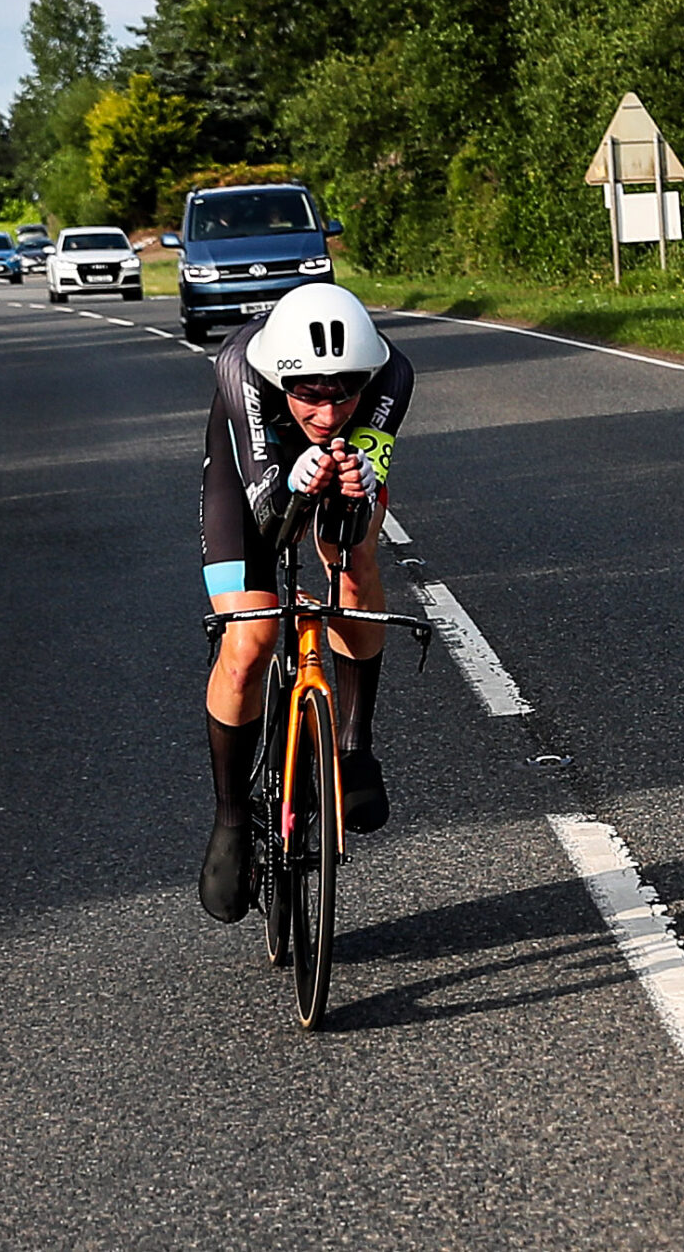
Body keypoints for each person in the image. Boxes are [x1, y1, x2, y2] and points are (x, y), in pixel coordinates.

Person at [196, 282, 414, 924]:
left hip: (337, 471)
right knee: (250, 639)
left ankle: (352, 743)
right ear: (281, 379)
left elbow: (344, 529)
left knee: (356, 565)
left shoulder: (393, 374)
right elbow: (266, 513)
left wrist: (356, 485)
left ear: (367, 376)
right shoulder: (242, 367)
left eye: (344, 391)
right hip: (250, 475)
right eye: (310, 393)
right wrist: (290, 481)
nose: (326, 410)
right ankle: (232, 821)